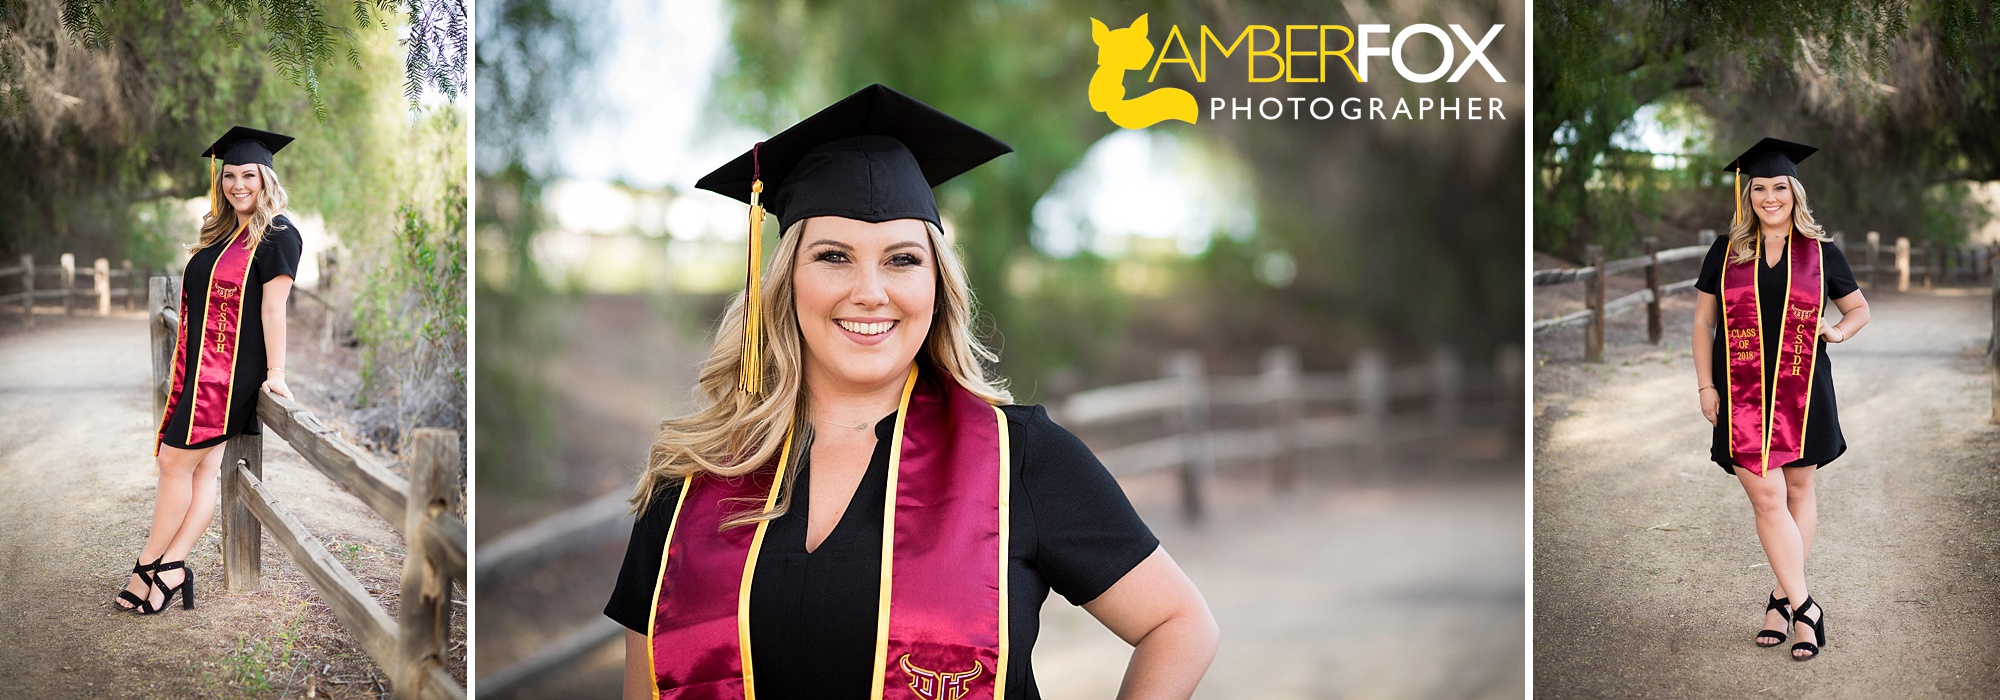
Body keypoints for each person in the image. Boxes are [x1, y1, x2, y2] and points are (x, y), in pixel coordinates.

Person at [603, 85, 1219, 699]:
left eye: (901, 259)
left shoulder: (1020, 460)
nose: (870, 291)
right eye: (834, 256)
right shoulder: (691, 483)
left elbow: (1179, 624)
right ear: (786, 280)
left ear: (937, 284)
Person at [111, 126, 304, 615]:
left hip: (228, 374)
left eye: (249, 176)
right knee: (199, 473)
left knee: (174, 463)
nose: (238, 185)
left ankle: (146, 567)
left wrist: (276, 371)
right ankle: (173, 567)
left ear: (266, 179)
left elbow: (273, 310)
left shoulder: (279, 235)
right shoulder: (225, 233)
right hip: (201, 366)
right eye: (230, 175)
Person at [1691, 137, 1869, 661]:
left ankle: (1780, 601)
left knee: (1797, 490)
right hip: (1741, 391)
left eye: (1779, 188)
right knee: (1766, 498)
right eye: (1760, 188)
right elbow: (1703, 323)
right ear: (1747, 196)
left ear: (1795, 193)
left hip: (1803, 387)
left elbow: (1858, 310)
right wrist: (1706, 385)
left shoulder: (1821, 253)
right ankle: (1808, 607)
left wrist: (1835, 333)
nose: (1770, 198)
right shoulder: (1725, 252)